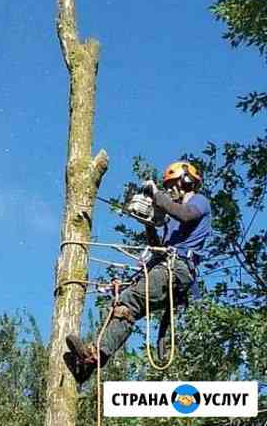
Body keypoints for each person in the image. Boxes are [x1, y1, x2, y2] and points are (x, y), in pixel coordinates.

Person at [64, 161, 211, 384]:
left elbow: (186, 215)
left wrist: (155, 194)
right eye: (167, 187)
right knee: (124, 307)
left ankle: (94, 355)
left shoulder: (198, 202)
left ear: (187, 181)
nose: (170, 191)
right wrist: (149, 223)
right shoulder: (172, 221)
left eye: (172, 185)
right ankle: (90, 363)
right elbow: (157, 249)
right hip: (165, 267)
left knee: (130, 300)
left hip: (177, 270)